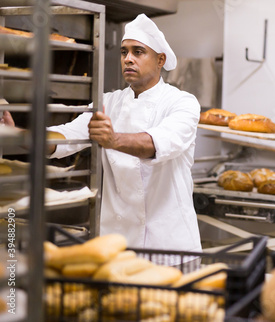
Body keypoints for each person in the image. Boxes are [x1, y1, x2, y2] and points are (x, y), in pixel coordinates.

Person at [5, 14, 202, 252]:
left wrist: (113, 139)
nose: (128, 59)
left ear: (160, 60)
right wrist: (15, 133)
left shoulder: (182, 103)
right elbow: (65, 138)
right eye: (123, 52)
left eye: (138, 52)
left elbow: (158, 143)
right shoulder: (108, 102)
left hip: (169, 245)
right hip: (116, 243)